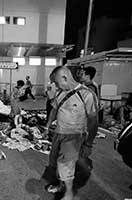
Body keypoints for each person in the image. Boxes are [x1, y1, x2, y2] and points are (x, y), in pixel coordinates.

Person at [45, 66, 98, 200]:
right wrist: (48, 123)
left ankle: (69, 193)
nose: (55, 85)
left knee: (65, 164)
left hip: (74, 136)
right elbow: (54, 109)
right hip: (59, 133)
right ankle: (61, 185)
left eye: (56, 82)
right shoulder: (61, 92)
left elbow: (94, 121)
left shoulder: (87, 94)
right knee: (55, 162)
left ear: (65, 77)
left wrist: (88, 144)